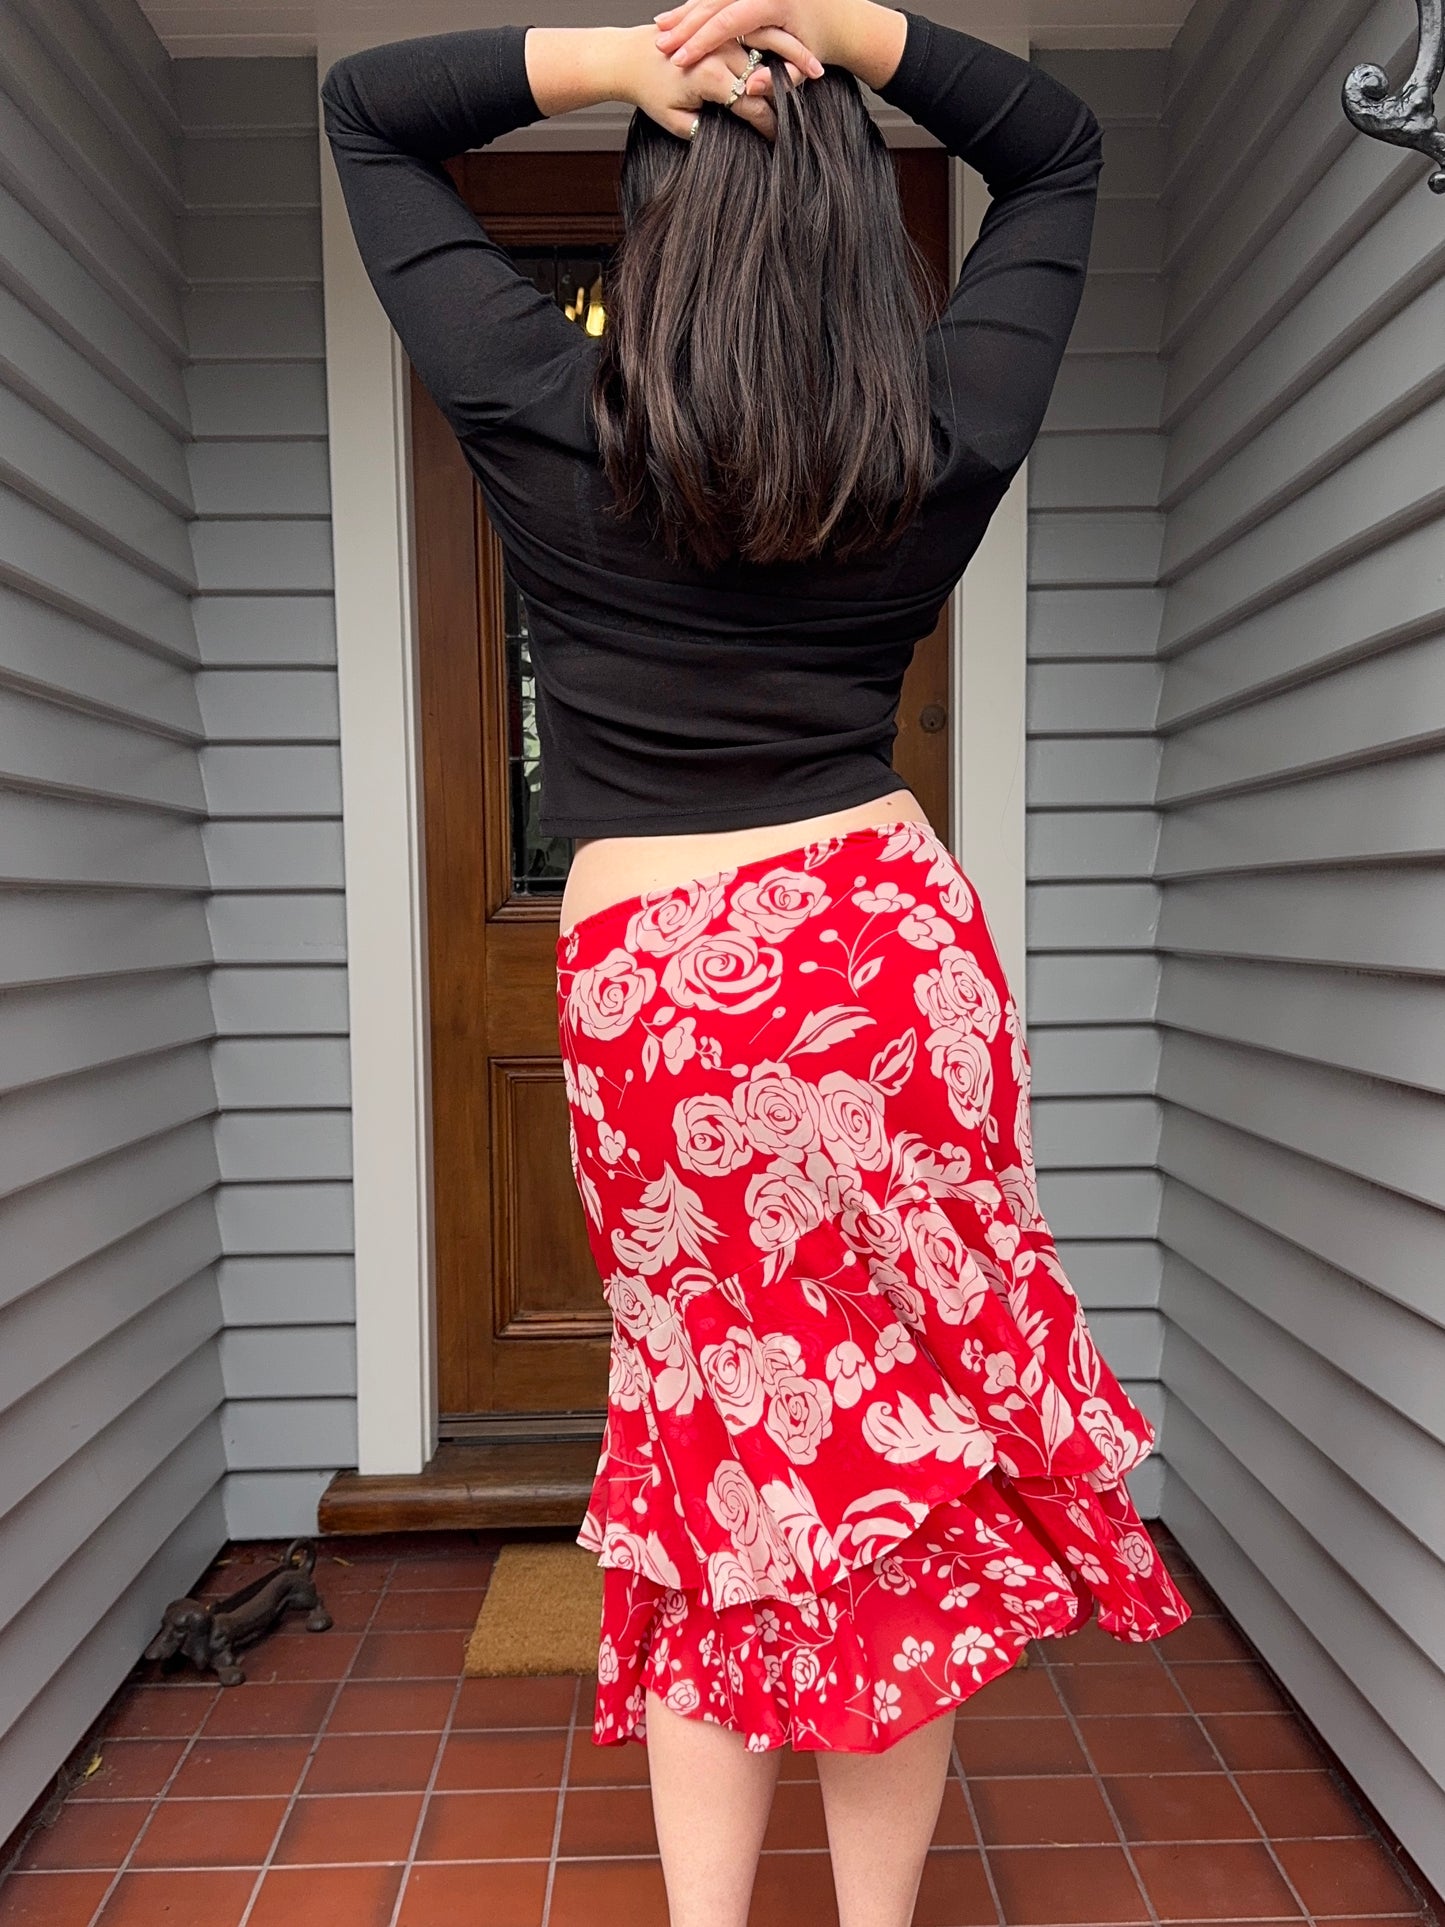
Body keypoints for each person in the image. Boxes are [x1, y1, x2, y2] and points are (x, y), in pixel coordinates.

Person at [322, 5, 1192, 1921]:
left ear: (655, 230)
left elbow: (366, 113)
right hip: (878, 954)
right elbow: (1056, 147)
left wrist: (621, 65)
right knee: (895, 1460)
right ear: (864, 238)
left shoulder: (552, 415)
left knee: (709, 1448)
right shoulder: (934, 431)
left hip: (660, 981)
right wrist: (859, 30)